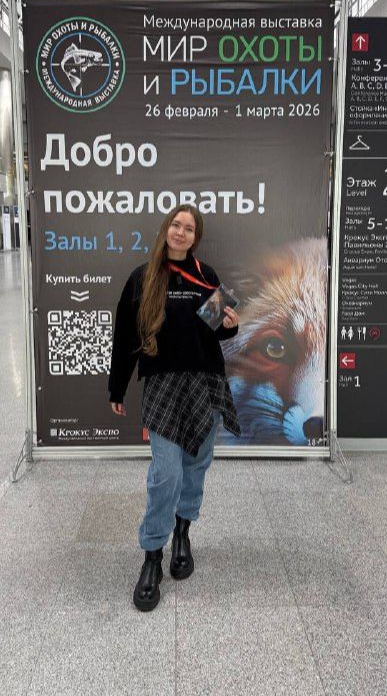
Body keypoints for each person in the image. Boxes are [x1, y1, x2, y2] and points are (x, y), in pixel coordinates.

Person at [108, 204, 241, 612]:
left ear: (195, 238)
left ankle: (182, 532)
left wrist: (231, 326)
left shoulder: (206, 275)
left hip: (205, 383)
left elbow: (217, 333)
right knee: (165, 473)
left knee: (196, 466)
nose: (181, 233)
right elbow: (125, 336)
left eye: (189, 228)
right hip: (163, 387)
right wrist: (117, 387)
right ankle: (152, 554)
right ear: (166, 229)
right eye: (176, 225)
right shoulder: (142, 278)